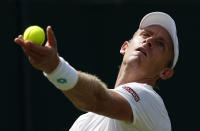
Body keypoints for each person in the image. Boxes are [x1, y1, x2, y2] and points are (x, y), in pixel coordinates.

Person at [14, 12, 179, 131]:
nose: (149, 41)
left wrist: (55, 67)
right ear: (125, 47)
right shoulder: (85, 122)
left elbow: (97, 98)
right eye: (145, 34)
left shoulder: (150, 101)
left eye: (160, 44)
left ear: (165, 72)